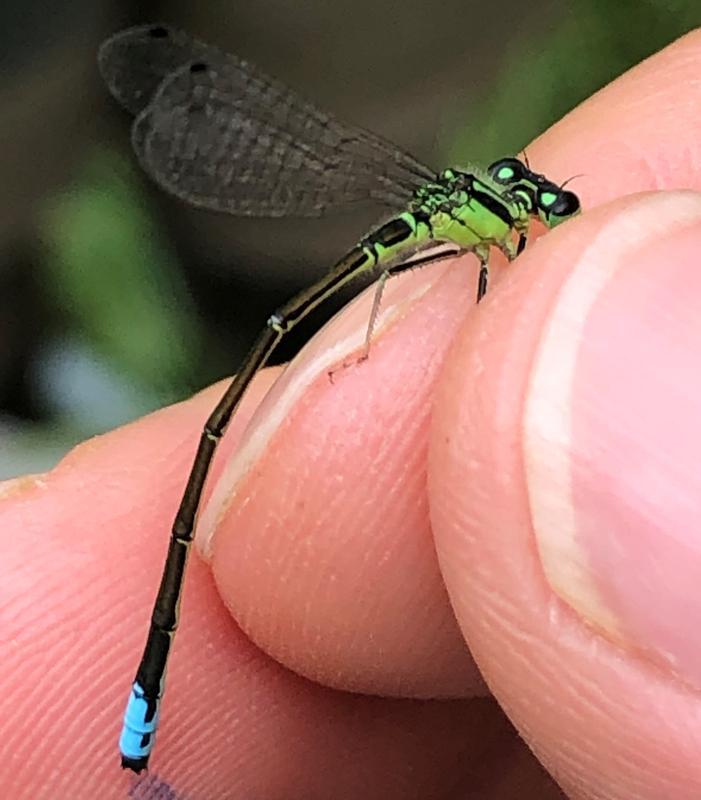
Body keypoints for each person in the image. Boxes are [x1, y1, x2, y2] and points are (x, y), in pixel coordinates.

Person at [2, 29, 701, 799]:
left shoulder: (481, 219)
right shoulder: (486, 231)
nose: (531, 199)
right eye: (528, 193)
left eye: (538, 198)